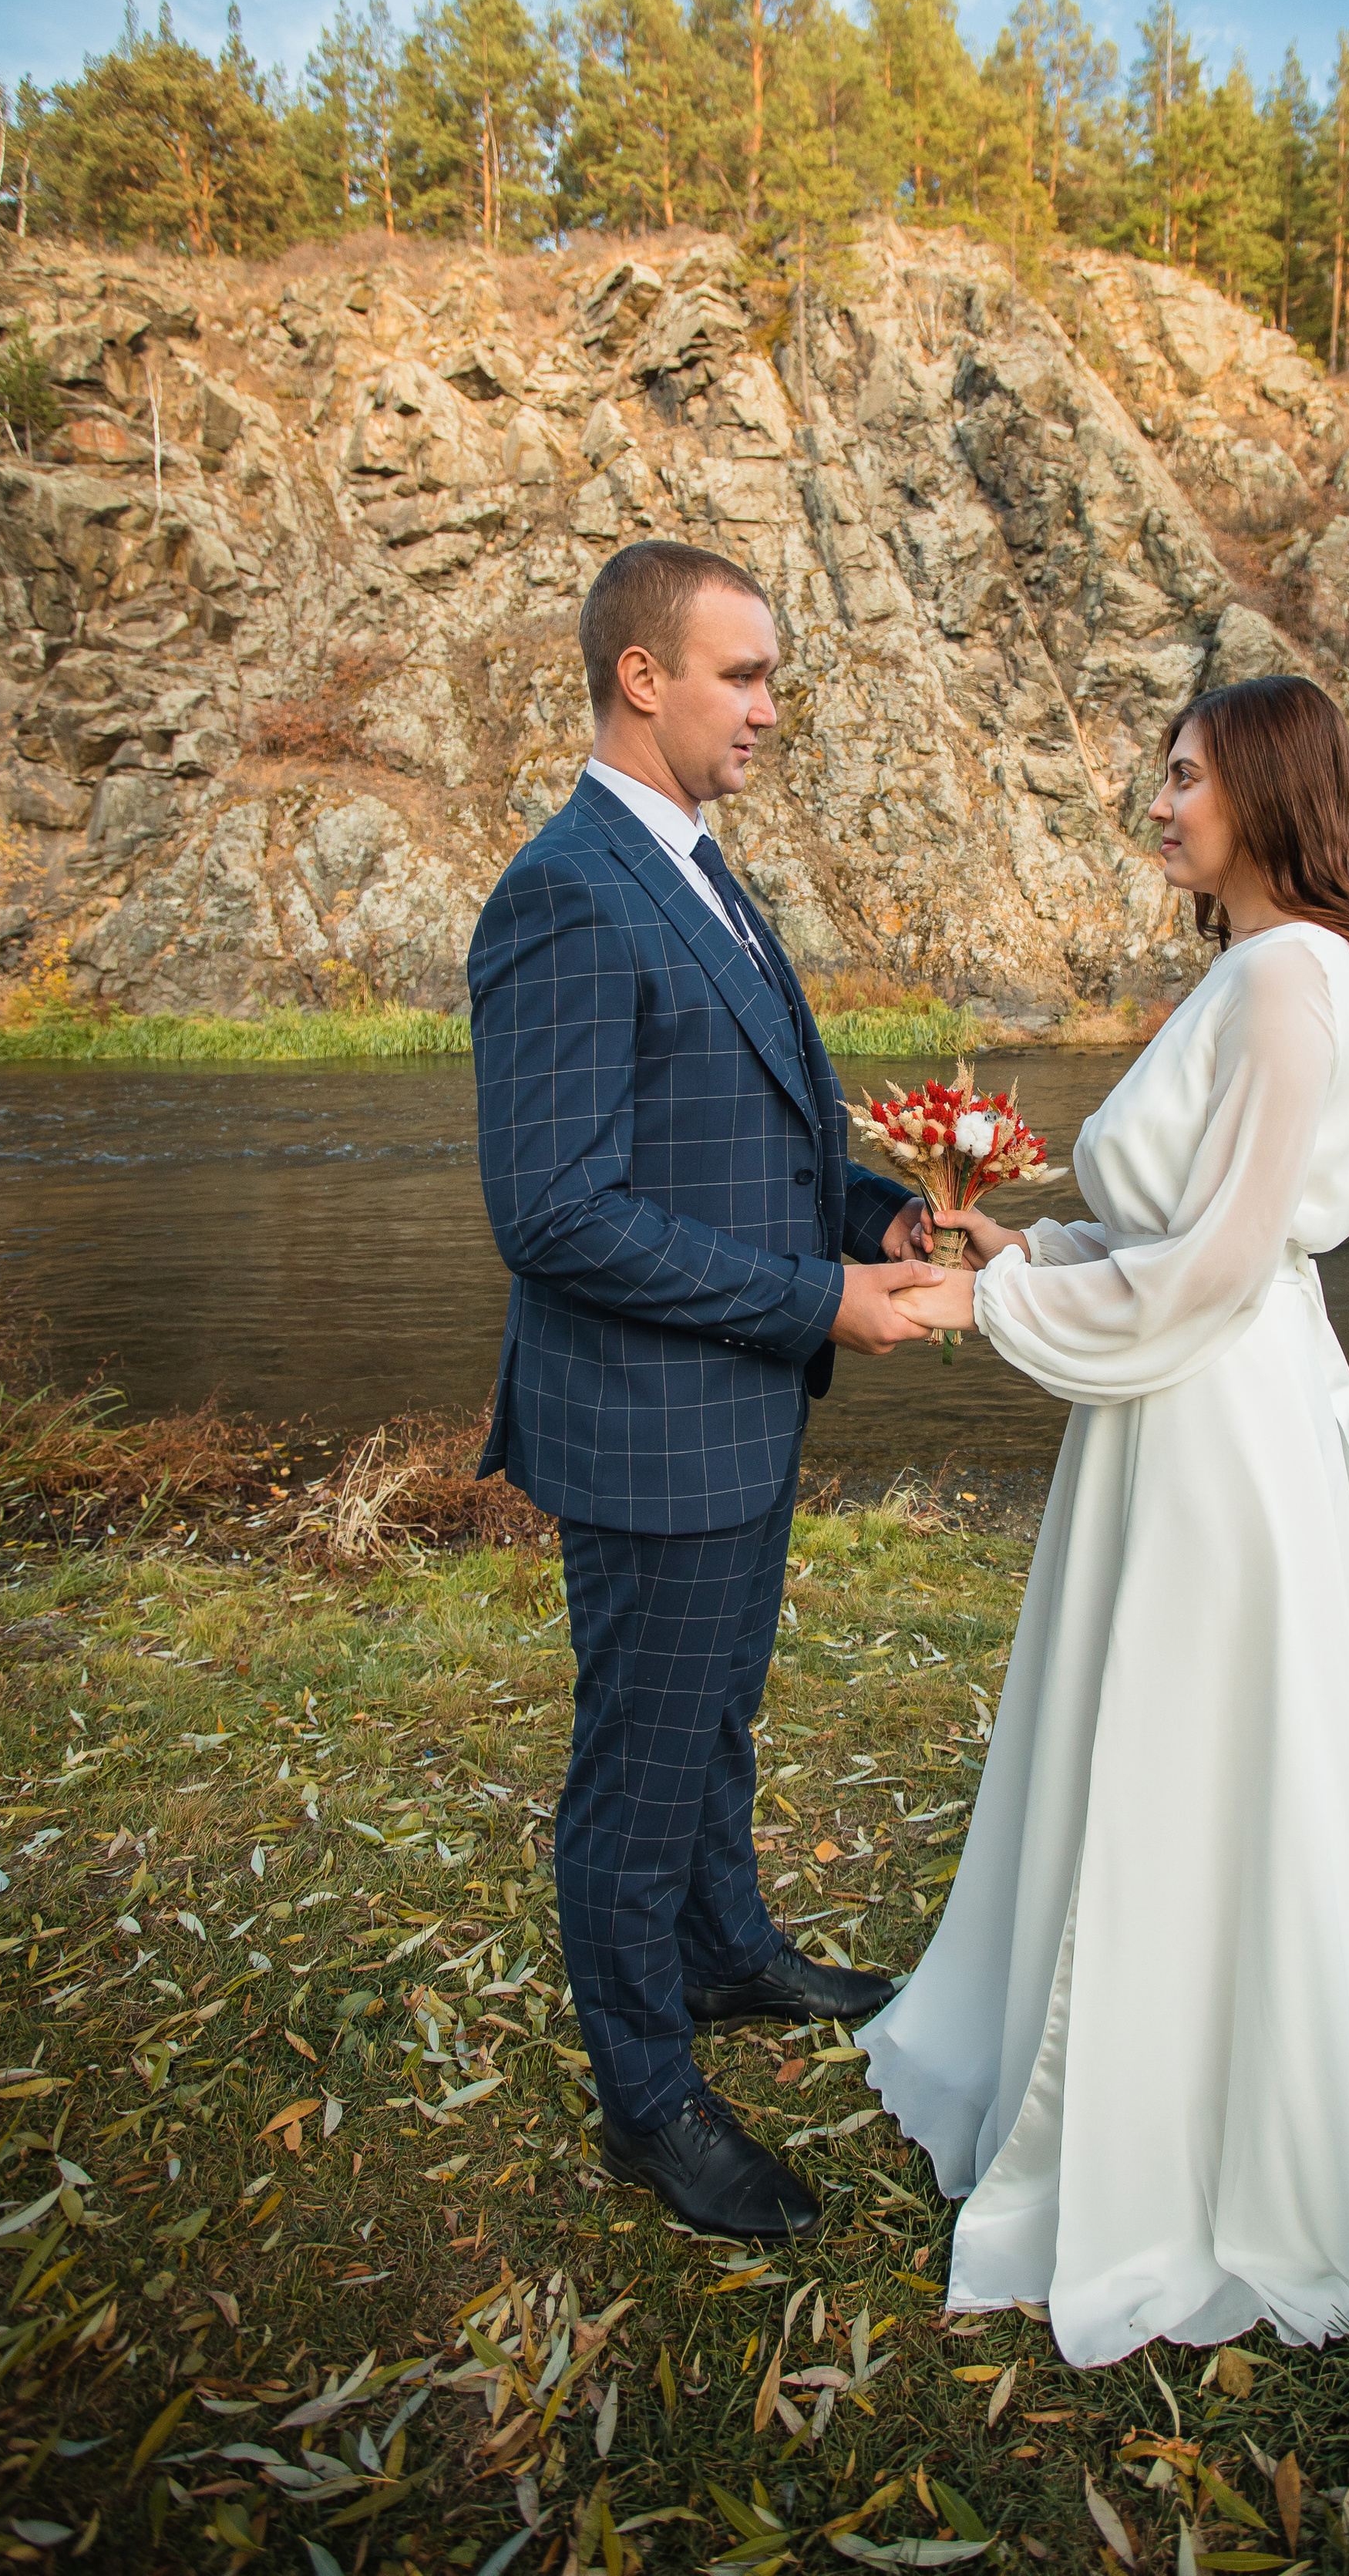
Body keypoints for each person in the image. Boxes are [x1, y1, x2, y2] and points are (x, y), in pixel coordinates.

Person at [860, 675, 1349, 2368]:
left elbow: (1221, 1263)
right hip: (1177, 1395)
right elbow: (1178, 1233)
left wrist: (992, 1320)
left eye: (1183, 776)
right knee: (1140, 1740)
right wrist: (1024, 1256)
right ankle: (1106, 2075)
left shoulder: (1285, 974)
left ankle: (1187, 2153)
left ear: (1262, 789)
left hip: (1215, 1416)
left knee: (1191, 1761)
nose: (1160, 803)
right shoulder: (1250, 969)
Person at [468, 538, 940, 2244]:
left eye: (772, 678)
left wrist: (873, 1212)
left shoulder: (697, 867)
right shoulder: (566, 888)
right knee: (638, 1767)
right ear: (639, 675)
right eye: (740, 675)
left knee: (716, 1718)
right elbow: (555, 1212)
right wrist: (821, 1298)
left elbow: (748, 1139)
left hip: (739, 1412)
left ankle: (726, 1953)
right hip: (652, 1427)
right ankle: (647, 2098)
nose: (766, 707)